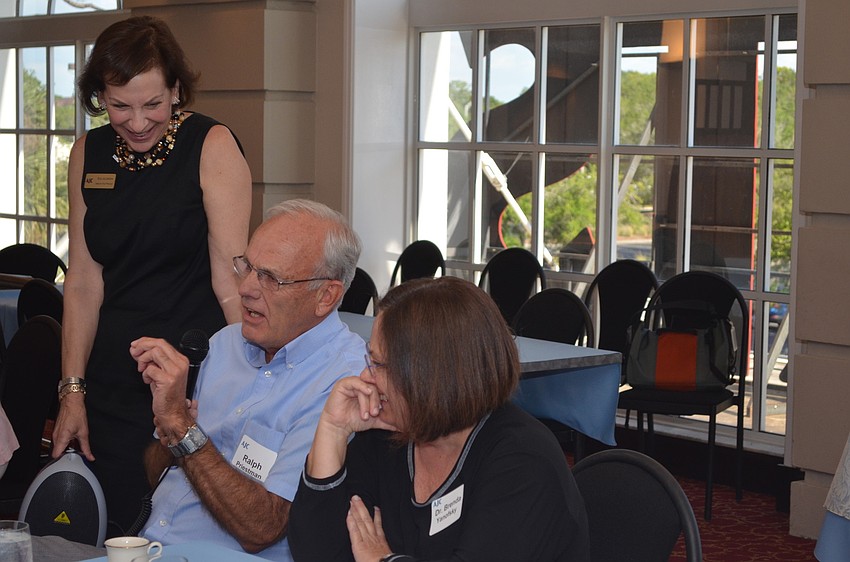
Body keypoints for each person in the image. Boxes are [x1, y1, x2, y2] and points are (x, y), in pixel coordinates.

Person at [51, 15, 252, 534]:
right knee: (111, 529)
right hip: (109, 380)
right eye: (120, 106)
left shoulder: (211, 146)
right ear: (99, 97)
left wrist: (244, 384)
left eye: (153, 105)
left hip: (190, 382)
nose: (137, 122)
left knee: (180, 527)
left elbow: (232, 282)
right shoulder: (86, 153)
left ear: (177, 90)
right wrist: (72, 389)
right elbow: (83, 280)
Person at [288, 277, 591, 562]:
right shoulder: (387, 434)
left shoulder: (524, 460)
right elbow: (316, 552)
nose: (366, 376)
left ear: (431, 376)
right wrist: (333, 430)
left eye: (378, 364)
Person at [129, 199, 365, 560]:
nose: (246, 288)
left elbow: (263, 528)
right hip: (149, 548)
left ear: (326, 296)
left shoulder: (344, 380)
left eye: (271, 278)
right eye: (248, 267)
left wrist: (184, 428)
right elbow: (155, 473)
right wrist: (169, 424)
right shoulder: (223, 345)